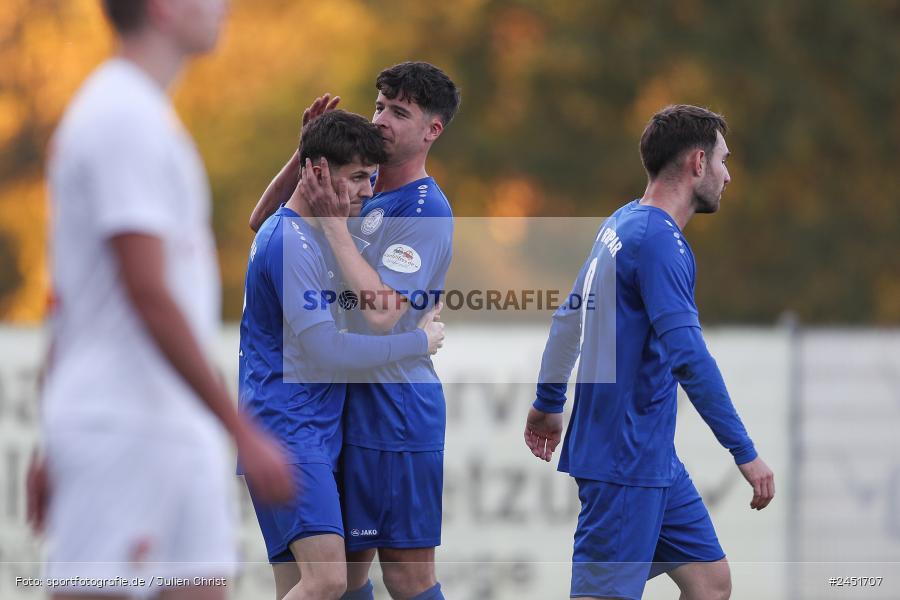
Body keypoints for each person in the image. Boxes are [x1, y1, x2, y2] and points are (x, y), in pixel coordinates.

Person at [30, 1, 294, 598]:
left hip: (173, 428)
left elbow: (73, 299)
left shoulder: (149, 117)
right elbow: (146, 292)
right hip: (121, 430)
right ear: (162, 9)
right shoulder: (121, 116)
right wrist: (240, 428)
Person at [524, 105, 775, 600]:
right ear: (698, 162)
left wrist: (549, 402)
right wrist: (744, 452)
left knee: (710, 584)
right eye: (723, 161)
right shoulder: (658, 241)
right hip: (625, 459)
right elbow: (690, 359)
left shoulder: (623, 221)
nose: (728, 175)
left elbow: (569, 317)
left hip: (652, 457)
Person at [250, 62, 460, 600]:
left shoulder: (424, 209)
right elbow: (265, 221)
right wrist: (305, 156)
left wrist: (334, 227)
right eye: (380, 106)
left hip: (394, 407)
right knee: (345, 578)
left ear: (432, 130)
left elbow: (382, 313)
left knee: (407, 577)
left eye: (400, 112)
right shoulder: (362, 185)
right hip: (342, 404)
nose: (382, 119)